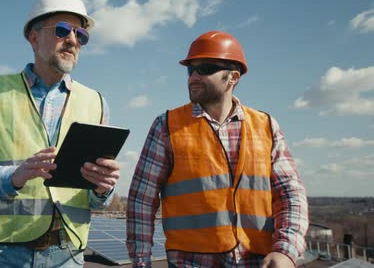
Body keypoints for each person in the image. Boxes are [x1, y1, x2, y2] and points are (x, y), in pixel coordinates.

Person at [0, 0, 120, 268]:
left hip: (67, 255)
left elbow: (95, 202)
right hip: (3, 253)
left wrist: (103, 189)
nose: (73, 40)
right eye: (63, 30)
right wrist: (13, 177)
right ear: (34, 37)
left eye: (81, 35)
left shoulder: (97, 103)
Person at [126, 30, 308, 268]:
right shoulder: (166, 126)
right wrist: (141, 263)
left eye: (205, 68)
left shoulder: (266, 126)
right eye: (191, 69)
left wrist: (286, 250)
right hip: (191, 262)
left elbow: (290, 194)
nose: (194, 76)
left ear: (233, 77)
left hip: (257, 261)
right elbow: (141, 200)